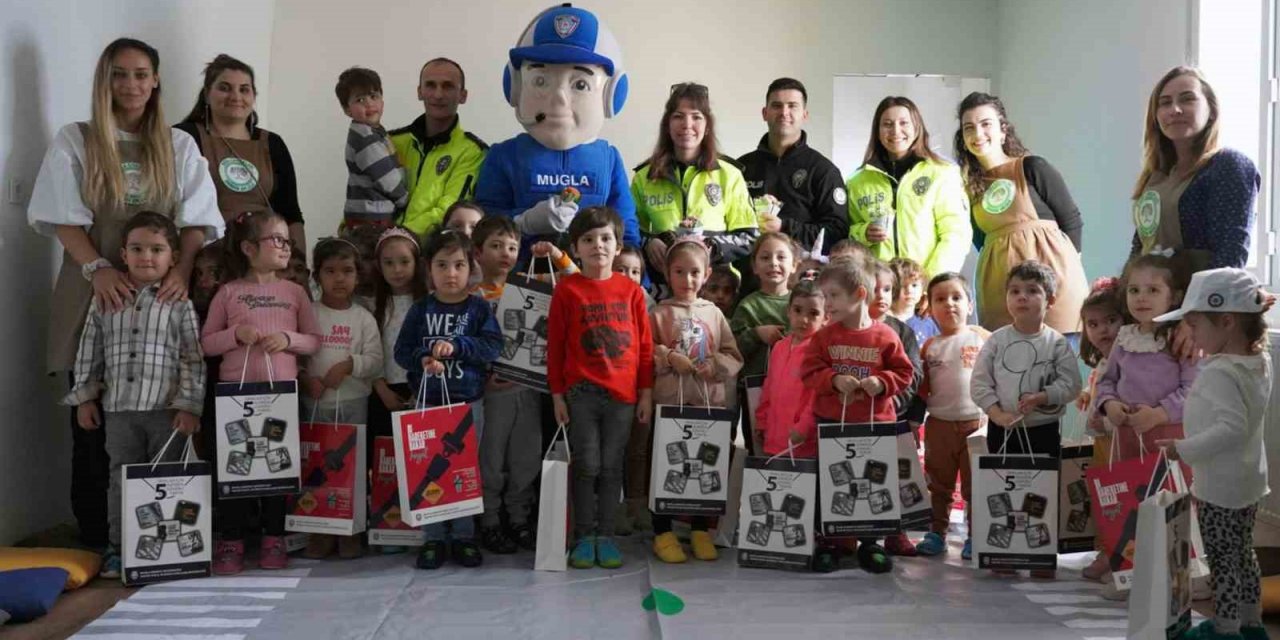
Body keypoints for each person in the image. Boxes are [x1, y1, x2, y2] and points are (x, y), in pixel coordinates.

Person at [29, 37, 222, 549]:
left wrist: (181, 269)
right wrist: (97, 269)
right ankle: (101, 540)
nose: (131, 85)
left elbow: (198, 221)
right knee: (93, 421)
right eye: (119, 74)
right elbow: (60, 219)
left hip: (162, 298)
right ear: (104, 80)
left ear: (156, 80)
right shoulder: (77, 139)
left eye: (141, 74)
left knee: (165, 419)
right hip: (94, 289)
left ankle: (165, 541)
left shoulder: (178, 144)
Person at [63, 212, 206, 577]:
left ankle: (170, 549)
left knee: (168, 480)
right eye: (137, 249)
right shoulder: (106, 299)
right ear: (123, 255)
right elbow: (88, 350)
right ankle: (120, 548)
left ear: (173, 257)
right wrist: (84, 398)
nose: (147, 257)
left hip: (167, 413)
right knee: (121, 480)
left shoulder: (179, 304)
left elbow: (193, 357)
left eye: (157, 249)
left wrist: (190, 406)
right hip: (119, 411)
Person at [1154, 268, 1271, 640]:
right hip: (1248, 480)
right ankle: (1251, 623)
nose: (1190, 334)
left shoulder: (1221, 372)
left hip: (1219, 485)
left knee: (1222, 560)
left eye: (1194, 324)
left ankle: (1226, 629)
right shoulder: (1257, 361)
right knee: (1244, 554)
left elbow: (1231, 427)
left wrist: (1181, 448)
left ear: (1226, 321)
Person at [202, 211, 320, 574]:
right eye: (278, 240)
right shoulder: (228, 292)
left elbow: (314, 340)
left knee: (276, 471)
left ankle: (274, 538)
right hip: (235, 399)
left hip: (281, 398)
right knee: (235, 473)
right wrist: (236, 336)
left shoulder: (295, 292)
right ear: (250, 247)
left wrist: (287, 339)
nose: (286, 247)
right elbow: (207, 344)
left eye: (288, 240)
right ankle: (232, 540)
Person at [475, 6, 640, 266]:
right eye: (541, 81)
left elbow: (627, 232)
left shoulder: (608, 159)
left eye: (580, 84)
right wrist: (525, 221)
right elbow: (483, 225)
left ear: (612, 95)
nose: (558, 98)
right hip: (516, 287)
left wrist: (634, 284)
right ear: (515, 86)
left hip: (591, 290)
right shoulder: (503, 156)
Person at [547, 207, 654, 570]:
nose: (598, 246)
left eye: (605, 238)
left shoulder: (632, 292)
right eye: (588, 240)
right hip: (581, 395)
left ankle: (605, 536)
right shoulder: (567, 290)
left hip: (623, 398)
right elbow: (556, 346)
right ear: (575, 249)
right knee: (587, 464)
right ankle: (583, 535)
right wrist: (557, 394)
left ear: (618, 244)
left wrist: (646, 393)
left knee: (611, 467)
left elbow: (645, 348)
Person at [393, 229, 503, 570]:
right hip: (427, 406)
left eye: (459, 265)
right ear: (429, 269)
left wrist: (458, 347)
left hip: (467, 404)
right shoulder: (420, 310)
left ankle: (465, 536)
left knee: (464, 472)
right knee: (429, 472)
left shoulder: (479, 308)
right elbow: (402, 352)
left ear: (472, 268)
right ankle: (434, 538)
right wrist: (423, 358)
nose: (451, 273)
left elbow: (492, 346)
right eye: (442, 265)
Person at [802, 256, 915, 574]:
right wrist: (834, 380)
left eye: (833, 296)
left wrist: (882, 382)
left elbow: (904, 374)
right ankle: (828, 543)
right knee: (831, 484)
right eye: (824, 296)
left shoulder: (886, 336)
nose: (826, 303)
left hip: (874, 426)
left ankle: (871, 543)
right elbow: (809, 371)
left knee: (872, 484)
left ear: (860, 294)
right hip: (832, 425)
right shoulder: (824, 337)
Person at [970, 260, 1082, 578]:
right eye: (1015, 291)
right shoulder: (996, 340)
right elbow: (979, 383)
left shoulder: (1057, 343)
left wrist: (1042, 397)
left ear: (1050, 300)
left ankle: (1038, 553)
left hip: (1043, 429)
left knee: (1040, 492)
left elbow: (1071, 384)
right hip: (1002, 428)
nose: (1022, 297)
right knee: (1004, 491)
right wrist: (997, 414)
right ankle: (1004, 551)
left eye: (1032, 291)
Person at [471, 217, 574, 553]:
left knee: (525, 458)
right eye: (496, 245)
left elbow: (577, 279)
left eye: (513, 247)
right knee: (491, 460)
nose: (505, 253)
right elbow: (467, 343)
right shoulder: (471, 295)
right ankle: (489, 521)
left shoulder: (533, 283)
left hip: (529, 389)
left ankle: (519, 518)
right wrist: (485, 374)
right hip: (493, 391)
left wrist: (557, 255)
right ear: (478, 252)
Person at [954, 92, 1087, 336]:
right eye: (969, 128)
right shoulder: (968, 188)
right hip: (1000, 290)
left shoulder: (1033, 167)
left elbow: (1071, 220)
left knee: (1059, 360)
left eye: (986, 124)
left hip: (1051, 283)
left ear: (1003, 130)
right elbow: (979, 240)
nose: (977, 133)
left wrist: (1067, 271)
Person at [647, 239, 743, 564]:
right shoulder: (659, 313)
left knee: (704, 466)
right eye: (679, 272)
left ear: (706, 275)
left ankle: (701, 529)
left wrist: (714, 364)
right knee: (666, 467)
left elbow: (732, 354)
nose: (687, 279)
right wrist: (669, 356)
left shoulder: (713, 314)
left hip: (708, 407)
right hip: (670, 405)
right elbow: (647, 352)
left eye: (694, 273)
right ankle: (662, 531)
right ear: (667, 273)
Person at [298, 238, 383, 560]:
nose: (339, 278)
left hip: (354, 404)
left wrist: (349, 366)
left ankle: (351, 533)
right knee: (317, 470)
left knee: (352, 471)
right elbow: (297, 354)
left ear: (357, 276)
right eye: (330, 271)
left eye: (347, 271)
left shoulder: (363, 318)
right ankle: (319, 531)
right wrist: (306, 379)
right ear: (317, 276)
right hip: (316, 406)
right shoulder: (308, 313)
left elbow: (375, 360)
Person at [1130, 67, 1260, 273]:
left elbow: (1230, 254)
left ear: (1211, 112)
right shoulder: (1156, 177)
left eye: (1187, 99)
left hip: (1199, 300)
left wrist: (1199, 303)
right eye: (1165, 103)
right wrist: (1121, 292)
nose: (1175, 110)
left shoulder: (1228, 165)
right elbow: (1140, 248)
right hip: (1152, 299)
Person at [632, 83, 758, 280]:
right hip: (662, 286)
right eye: (678, 116)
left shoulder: (730, 175)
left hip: (716, 287)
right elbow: (628, 229)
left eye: (696, 117)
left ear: (707, 126)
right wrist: (648, 242)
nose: (687, 125)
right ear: (667, 125)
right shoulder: (645, 176)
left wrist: (712, 246)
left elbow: (749, 237)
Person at [175, 54, 302, 247]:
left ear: (253, 97)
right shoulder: (185, 137)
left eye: (244, 89)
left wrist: (298, 263)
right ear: (207, 94)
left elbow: (290, 213)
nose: (236, 97)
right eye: (225, 88)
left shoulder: (273, 143)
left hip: (265, 255)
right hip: (206, 253)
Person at [845, 96, 970, 277]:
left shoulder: (942, 173)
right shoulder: (857, 181)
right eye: (887, 124)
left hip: (923, 286)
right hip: (878, 289)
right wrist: (863, 232)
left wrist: (931, 283)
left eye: (904, 123)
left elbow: (956, 235)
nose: (896, 131)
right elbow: (846, 233)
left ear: (916, 127)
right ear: (877, 131)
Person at [912, 272, 989, 561]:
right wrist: (914, 422)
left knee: (974, 486)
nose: (949, 304)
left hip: (976, 424)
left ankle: (976, 535)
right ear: (929, 307)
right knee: (939, 484)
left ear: (970, 304)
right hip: (939, 425)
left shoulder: (983, 339)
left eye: (957, 297)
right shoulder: (930, 346)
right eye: (940, 299)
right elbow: (921, 389)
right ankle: (936, 533)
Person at [1093, 253, 1197, 461]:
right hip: (1126, 439)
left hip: (1169, 438)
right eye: (1134, 290)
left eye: (1153, 290)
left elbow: (1195, 391)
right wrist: (1109, 404)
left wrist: (1158, 414)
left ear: (1175, 297)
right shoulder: (1125, 337)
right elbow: (1106, 380)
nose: (1141, 297)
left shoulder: (1181, 340)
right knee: (1130, 491)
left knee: (1171, 492)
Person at [364, 226, 428, 555]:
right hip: (383, 390)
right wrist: (381, 388)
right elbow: (369, 350)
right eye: (389, 263)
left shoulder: (427, 302)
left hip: (419, 390)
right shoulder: (371, 304)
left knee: (417, 461)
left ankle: (417, 524)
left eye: (404, 261)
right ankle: (387, 525)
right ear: (379, 266)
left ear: (418, 263)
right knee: (385, 462)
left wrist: (420, 392)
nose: (397, 270)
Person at [738, 78, 849, 255]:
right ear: (765, 113)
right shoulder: (741, 168)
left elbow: (837, 233)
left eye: (792, 106)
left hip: (804, 278)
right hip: (748, 276)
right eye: (777, 106)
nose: (784, 112)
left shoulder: (823, 170)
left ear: (805, 115)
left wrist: (784, 227)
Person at [865, 258, 925, 557]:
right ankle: (858, 536)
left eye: (887, 289)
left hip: (893, 418)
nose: (882, 296)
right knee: (864, 479)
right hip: (856, 420)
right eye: (875, 289)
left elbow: (913, 375)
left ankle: (896, 533)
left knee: (897, 478)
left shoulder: (902, 332)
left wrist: (892, 402)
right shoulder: (845, 328)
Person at [389, 58, 488, 237]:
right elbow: (364, 191)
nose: (438, 94)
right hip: (375, 249)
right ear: (420, 92)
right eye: (430, 85)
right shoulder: (391, 142)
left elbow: (450, 212)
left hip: (433, 256)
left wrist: (399, 238)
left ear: (463, 95)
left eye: (448, 86)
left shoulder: (473, 152)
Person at [1075, 276, 1124, 582]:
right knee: (1103, 499)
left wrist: (1104, 420)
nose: (1102, 329)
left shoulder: (1127, 362)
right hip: (1101, 446)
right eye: (1093, 324)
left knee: (1120, 501)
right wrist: (1085, 395)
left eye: (1110, 321)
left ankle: (1119, 557)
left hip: (1119, 443)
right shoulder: (1102, 364)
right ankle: (1106, 551)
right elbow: (1096, 386)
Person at [755, 280, 825, 460]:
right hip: (773, 437)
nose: (804, 319)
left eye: (814, 313)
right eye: (798, 310)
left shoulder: (821, 351)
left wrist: (803, 428)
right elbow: (768, 388)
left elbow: (818, 397)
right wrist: (762, 421)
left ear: (826, 317)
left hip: (803, 443)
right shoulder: (779, 347)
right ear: (788, 311)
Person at [336, 67, 408, 229]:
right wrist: (404, 199)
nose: (369, 103)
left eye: (373, 96)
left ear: (382, 101)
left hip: (371, 213)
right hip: (371, 216)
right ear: (347, 109)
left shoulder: (374, 131)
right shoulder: (365, 139)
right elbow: (386, 177)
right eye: (360, 100)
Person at [889, 257, 939, 345]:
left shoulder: (928, 324)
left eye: (914, 285)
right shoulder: (881, 322)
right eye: (902, 285)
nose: (909, 290)